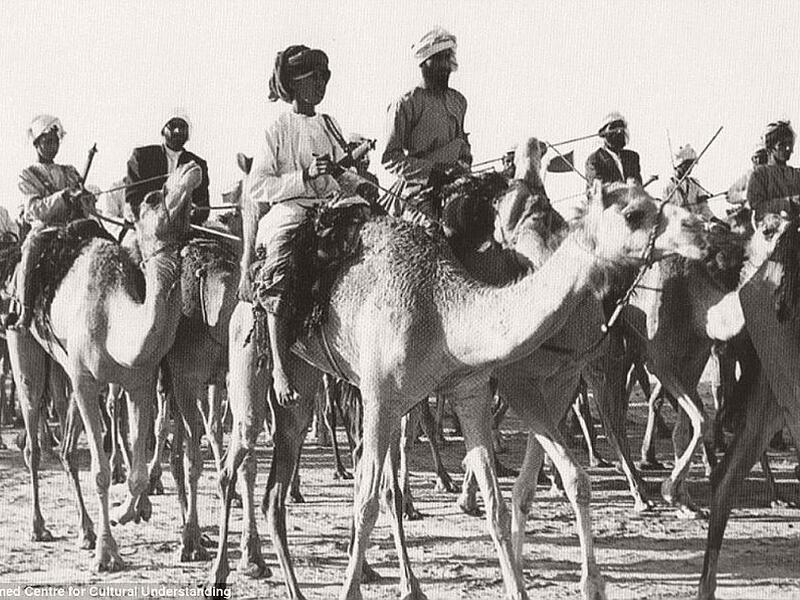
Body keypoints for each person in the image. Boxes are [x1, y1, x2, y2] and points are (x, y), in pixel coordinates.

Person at [242, 44, 360, 406]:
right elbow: (258, 186)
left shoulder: (329, 124)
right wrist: (304, 177)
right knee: (281, 270)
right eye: (314, 80)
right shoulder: (276, 129)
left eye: (324, 78)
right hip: (290, 212)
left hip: (332, 207)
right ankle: (279, 368)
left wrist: (348, 172)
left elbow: (347, 174)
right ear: (295, 84)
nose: (321, 86)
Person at [10, 115, 96, 329]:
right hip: (45, 230)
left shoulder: (69, 171)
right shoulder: (28, 175)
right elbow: (34, 209)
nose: (52, 146)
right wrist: (62, 197)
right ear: (37, 144)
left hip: (76, 227)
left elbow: (87, 206)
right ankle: (26, 312)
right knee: (29, 255)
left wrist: (84, 198)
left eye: (55, 141)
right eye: (47, 141)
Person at [381, 27, 472, 223]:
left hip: (458, 182)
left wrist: (464, 164)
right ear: (424, 62)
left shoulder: (459, 101)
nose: (447, 66)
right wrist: (431, 173)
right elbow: (390, 158)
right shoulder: (405, 103)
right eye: (440, 59)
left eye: (449, 59)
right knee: (432, 229)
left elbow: (463, 143)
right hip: (421, 189)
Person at [125, 111, 209, 226]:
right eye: (172, 126)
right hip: (143, 227)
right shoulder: (142, 156)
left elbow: (203, 206)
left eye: (182, 127)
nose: (177, 131)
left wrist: (187, 217)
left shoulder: (197, 164)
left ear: (188, 134)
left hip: (183, 229)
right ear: (163, 130)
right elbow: (133, 199)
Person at [746, 120, 800, 232]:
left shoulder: (796, 174)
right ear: (770, 148)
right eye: (782, 145)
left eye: (790, 144)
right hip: (771, 232)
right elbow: (758, 206)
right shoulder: (760, 175)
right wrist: (788, 203)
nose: (788, 149)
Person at [585, 112, 642, 186]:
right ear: (603, 133)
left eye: (621, 127)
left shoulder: (632, 157)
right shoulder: (595, 159)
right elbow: (598, 190)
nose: (619, 131)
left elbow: (638, 185)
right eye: (614, 127)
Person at [663, 144, 715, 220]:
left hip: (697, 225)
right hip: (680, 227)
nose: (690, 168)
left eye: (692, 164)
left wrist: (713, 218)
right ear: (679, 164)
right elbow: (667, 213)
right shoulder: (668, 186)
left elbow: (704, 207)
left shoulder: (694, 183)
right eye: (687, 164)